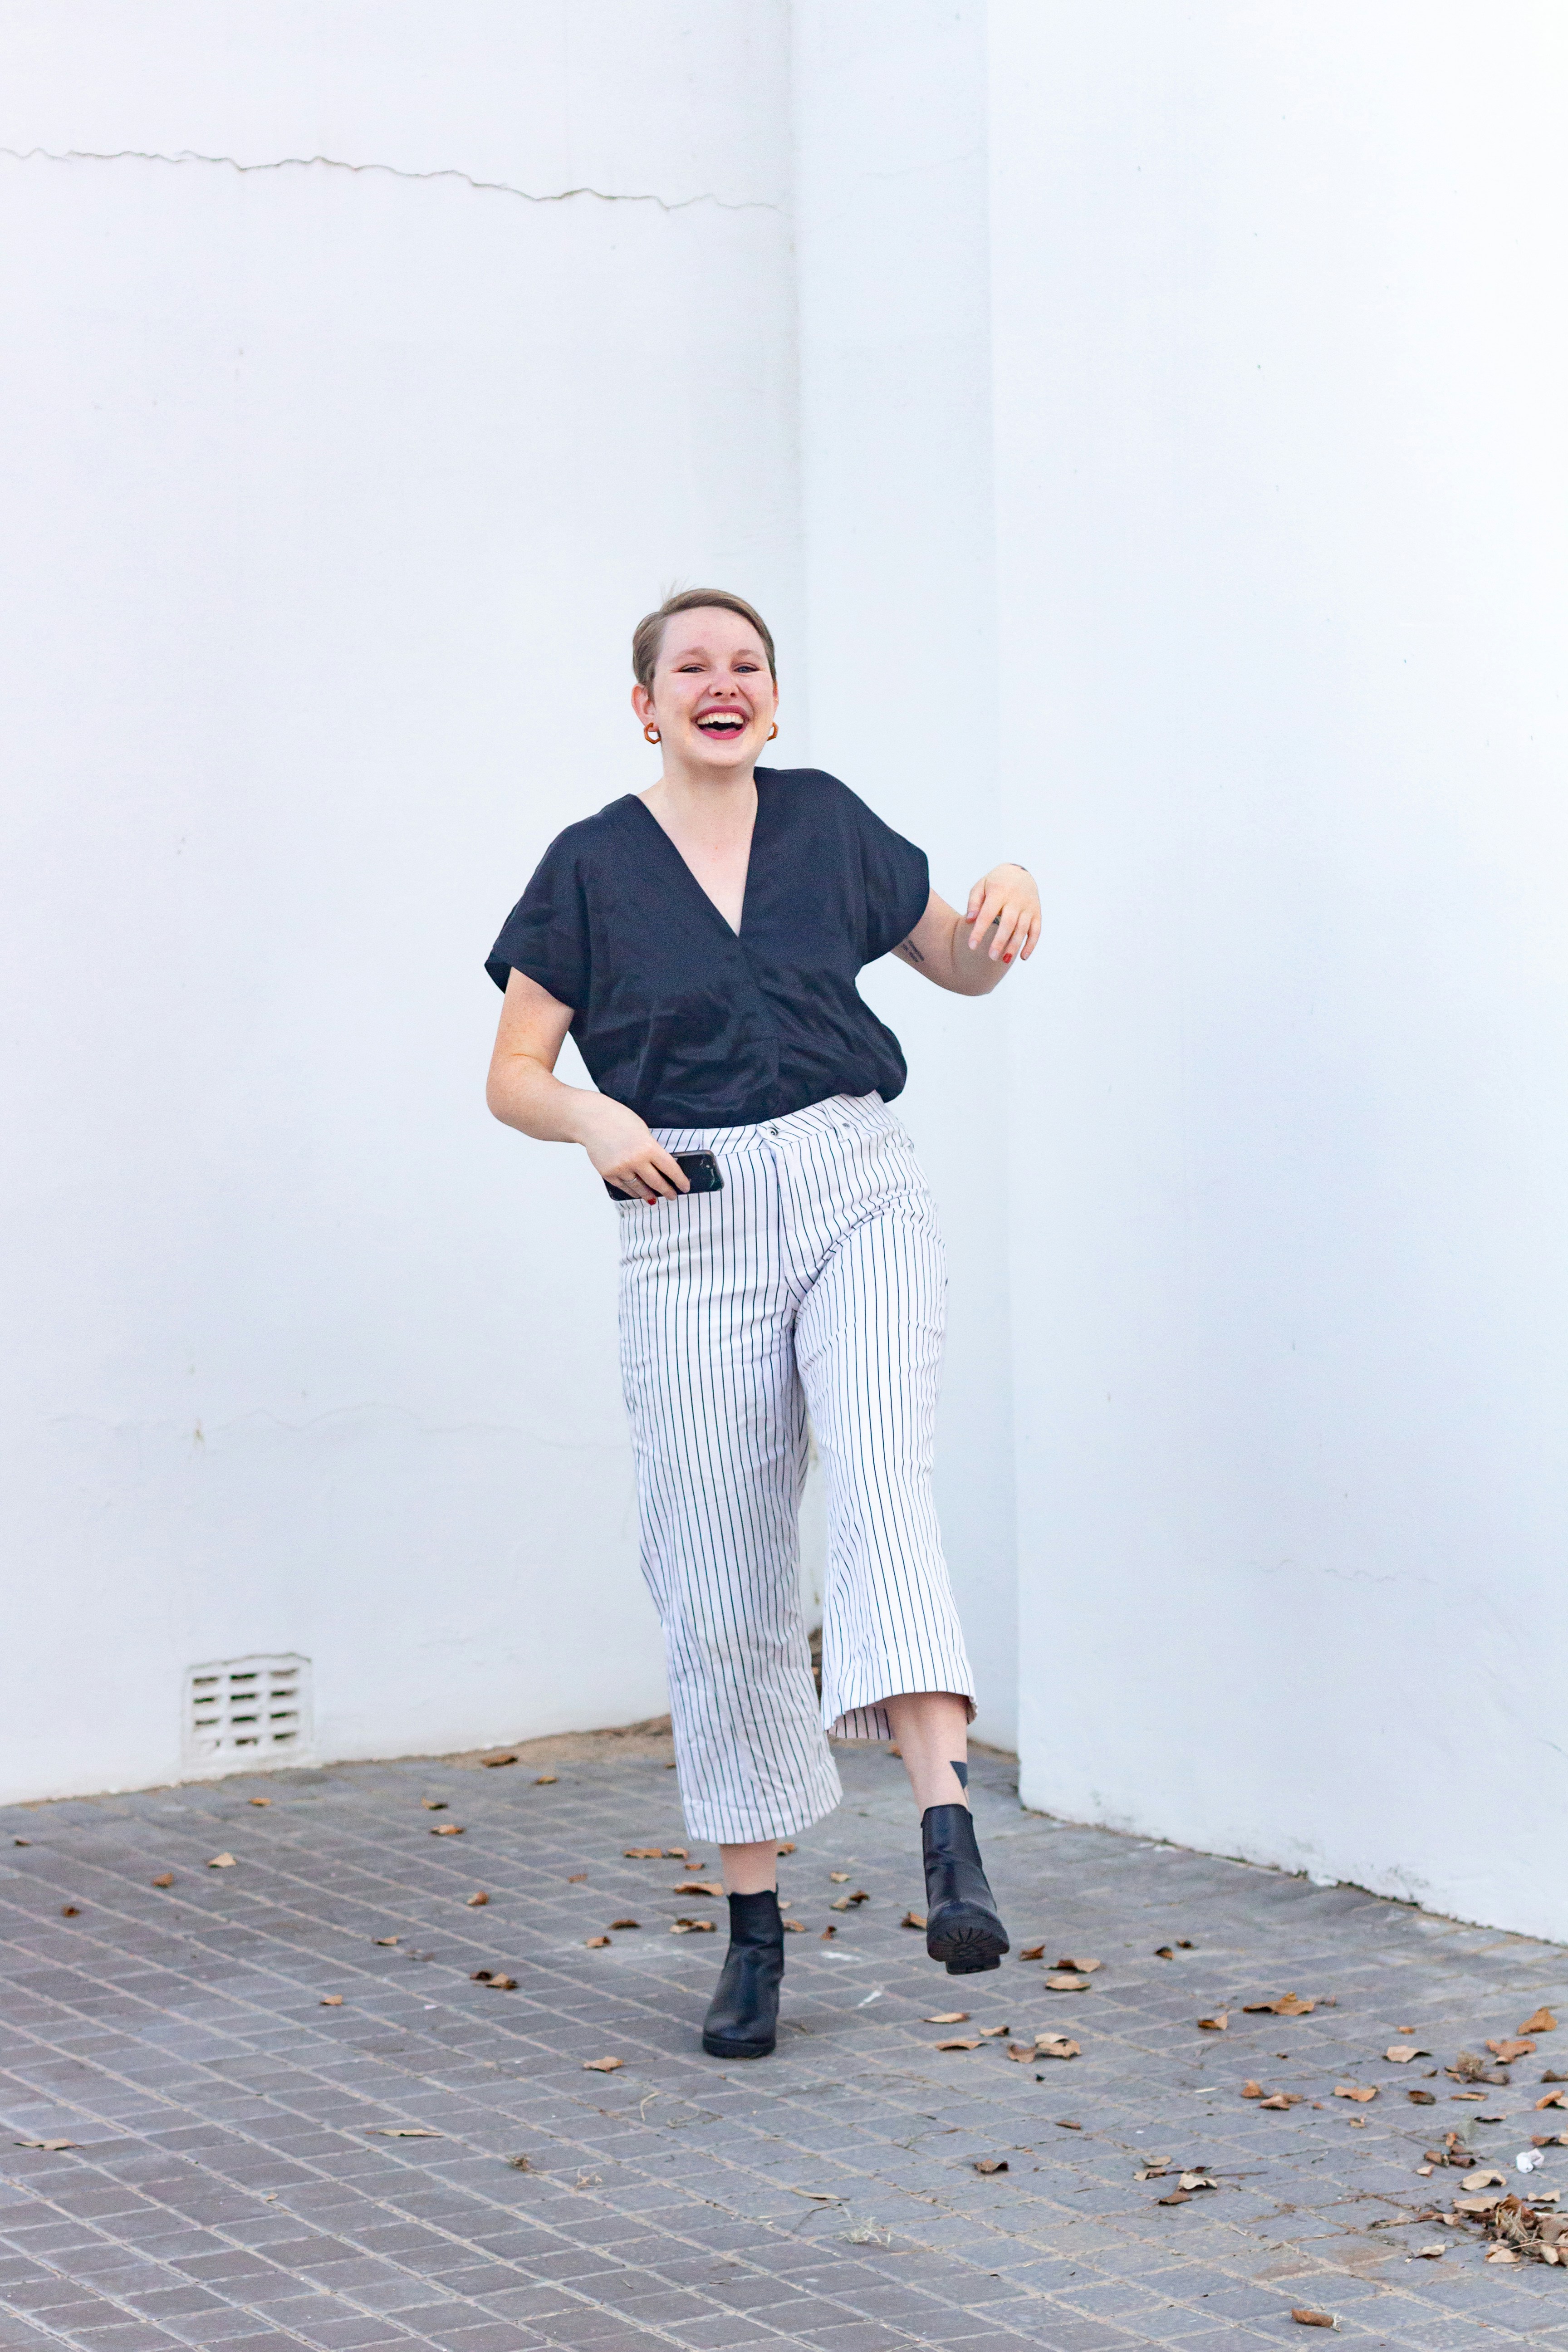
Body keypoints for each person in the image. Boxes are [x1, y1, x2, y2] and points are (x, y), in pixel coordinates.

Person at [485, 588, 1039, 2060]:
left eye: (748, 666)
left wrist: (1009, 889)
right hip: (692, 1217)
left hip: (853, 1179)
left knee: (878, 1476)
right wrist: (596, 1119)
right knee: (719, 1574)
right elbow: (515, 1071)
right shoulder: (592, 867)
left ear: (774, 703)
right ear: (647, 705)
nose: (721, 685)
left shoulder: (831, 823)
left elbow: (961, 963)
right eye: (692, 668)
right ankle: (754, 1927)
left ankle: (945, 1831)